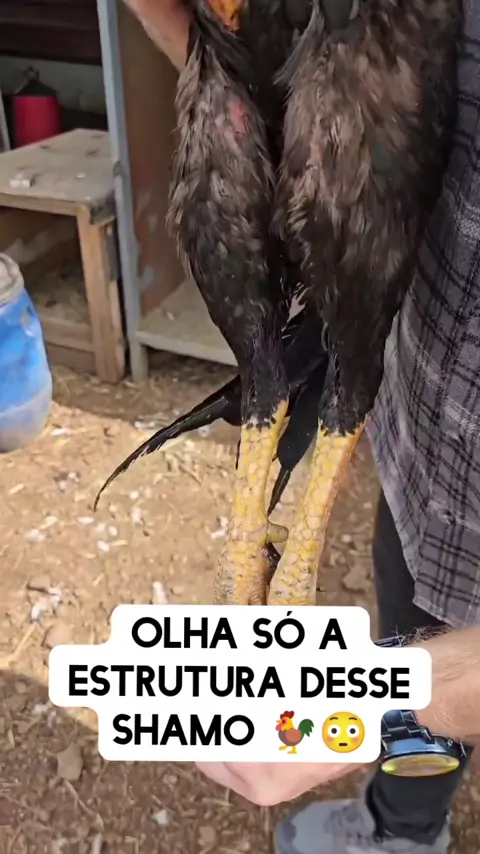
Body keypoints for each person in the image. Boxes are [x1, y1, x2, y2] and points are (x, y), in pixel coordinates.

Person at [122, 1, 480, 851]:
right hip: (423, 428)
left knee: (427, 687)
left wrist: (401, 694)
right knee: (412, 626)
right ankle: (401, 827)